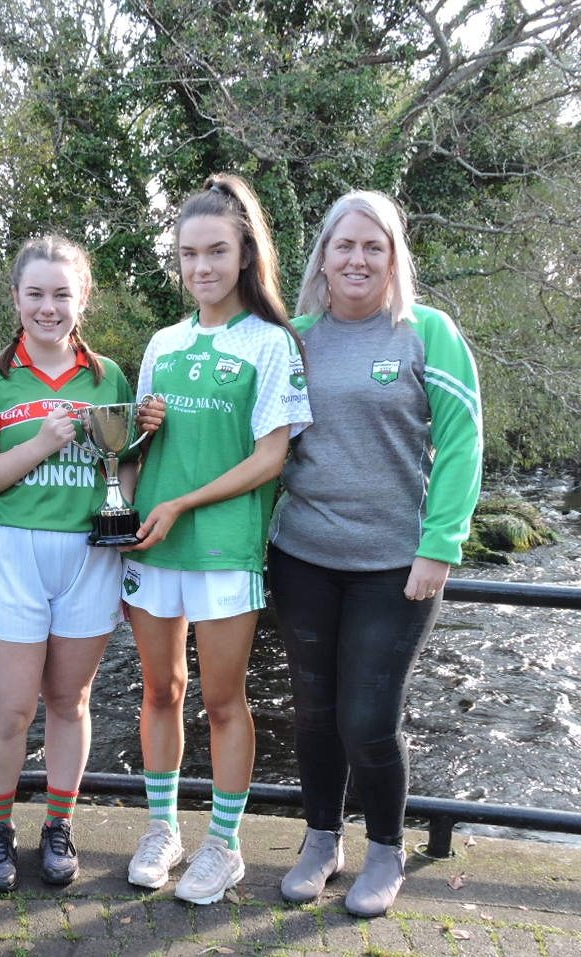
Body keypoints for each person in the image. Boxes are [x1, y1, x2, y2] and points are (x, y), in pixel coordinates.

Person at [266, 190, 482, 918]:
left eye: (373, 246)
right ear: (323, 256)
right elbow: (261, 443)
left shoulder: (427, 333)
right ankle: (321, 840)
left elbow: (462, 442)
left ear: (394, 258)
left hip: (396, 566)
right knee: (313, 713)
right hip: (302, 557)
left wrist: (440, 544)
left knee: (367, 719)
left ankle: (386, 848)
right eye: (345, 245)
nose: (357, 259)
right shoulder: (293, 338)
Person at [121, 174, 312, 905]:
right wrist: (137, 455)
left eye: (216, 251)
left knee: (224, 700)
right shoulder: (162, 342)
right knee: (160, 689)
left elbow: (271, 457)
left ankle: (225, 844)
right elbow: (135, 449)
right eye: (188, 254)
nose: (201, 267)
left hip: (224, 545)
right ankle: (162, 829)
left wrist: (183, 503)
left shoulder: (272, 343)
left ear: (245, 255)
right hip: (153, 542)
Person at [0, 235, 162, 892]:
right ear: (16, 298)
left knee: (70, 701)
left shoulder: (109, 378)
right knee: (11, 709)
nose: (49, 307)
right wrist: (39, 445)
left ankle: (59, 825)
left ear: (83, 299)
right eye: (36, 294)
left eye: (62, 294)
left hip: (86, 554)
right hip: (9, 552)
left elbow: (122, 468)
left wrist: (129, 488)